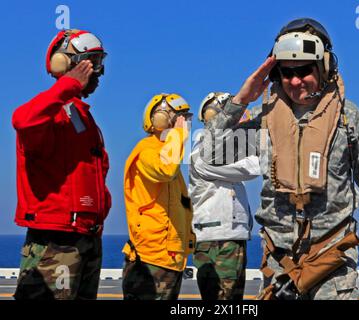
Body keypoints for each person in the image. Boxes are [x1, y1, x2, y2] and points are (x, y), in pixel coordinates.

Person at [200, 18, 359, 300]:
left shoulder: (349, 119)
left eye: (304, 70)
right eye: (286, 72)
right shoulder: (264, 119)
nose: (295, 81)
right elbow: (210, 155)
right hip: (278, 263)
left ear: (324, 67)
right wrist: (241, 100)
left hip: (332, 260)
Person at [12, 29, 110, 300]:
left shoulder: (81, 116)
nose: (98, 72)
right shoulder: (49, 113)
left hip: (86, 237)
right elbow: (23, 120)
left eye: (99, 62)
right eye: (91, 63)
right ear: (65, 64)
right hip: (55, 240)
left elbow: (96, 171)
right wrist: (67, 85)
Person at [122, 93, 196, 300]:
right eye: (179, 119)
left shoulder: (167, 152)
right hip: (151, 258)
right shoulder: (147, 151)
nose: (185, 125)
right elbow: (165, 169)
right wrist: (177, 135)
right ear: (160, 119)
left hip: (168, 257)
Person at [189, 92, 260, 300]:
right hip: (218, 238)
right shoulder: (201, 152)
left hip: (230, 235)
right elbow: (249, 169)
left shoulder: (226, 150)